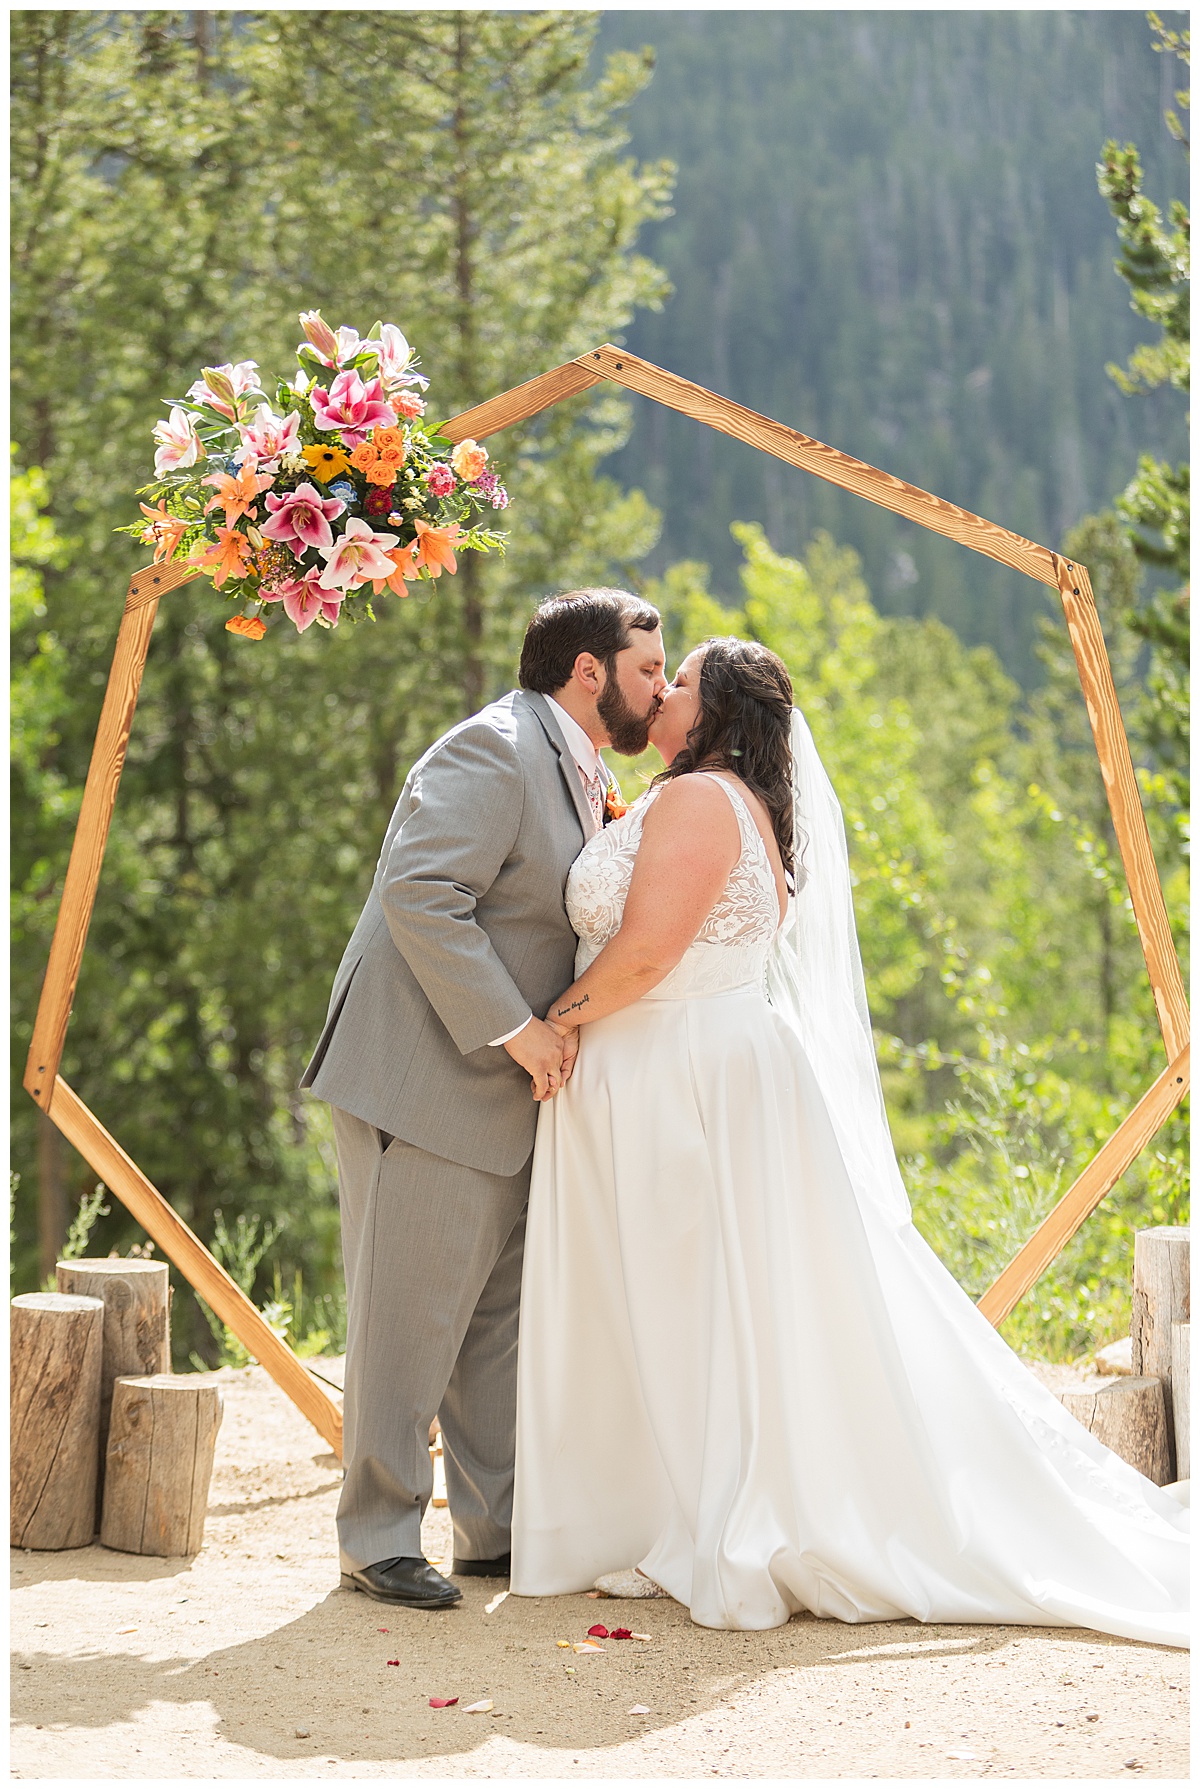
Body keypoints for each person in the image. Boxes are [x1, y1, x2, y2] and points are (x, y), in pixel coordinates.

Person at [510, 635, 1189, 1644]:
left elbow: (649, 951)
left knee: (688, 1296)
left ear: (717, 713)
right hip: (686, 1064)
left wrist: (556, 1024)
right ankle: (674, 1507)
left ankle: (716, 1517)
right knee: (703, 1302)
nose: (663, 693)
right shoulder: (714, 798)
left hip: (680, 1068)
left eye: (681, 682)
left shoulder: (701, 801)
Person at [302, 588, 667, 1608]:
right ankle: (375, 1534)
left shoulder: (573, 763)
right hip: (424, 1076)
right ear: (585, 671)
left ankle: (493, 1530)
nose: (659, 688)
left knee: (493, 1318)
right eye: (647, 670)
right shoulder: (494, 749)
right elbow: (421, 892)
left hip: (501, 1093)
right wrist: (520, 1031)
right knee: (407, 1312)